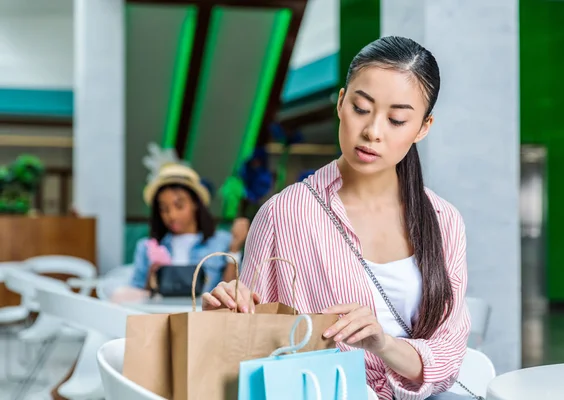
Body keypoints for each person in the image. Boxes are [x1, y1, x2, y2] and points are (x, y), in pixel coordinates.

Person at [202, 36, 471, 400]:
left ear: (422, 127)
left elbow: (448, 356)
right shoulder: (284, 214)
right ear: (342, 102)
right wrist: (227, 316)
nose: (373, 131)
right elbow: (254, 351)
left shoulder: (443, 221)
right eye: (361, 108)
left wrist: (382, 343)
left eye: (396, 119)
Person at [111, 164, 249, 303]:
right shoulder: (146, 247)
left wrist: (234, 249)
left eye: (179, 205)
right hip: (160, 318)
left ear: (195, 203)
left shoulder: (222, 242)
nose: (172, 215)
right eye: (164, 209)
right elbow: (135, 297)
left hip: (205, 320)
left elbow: (232, 295)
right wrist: (152, 277)